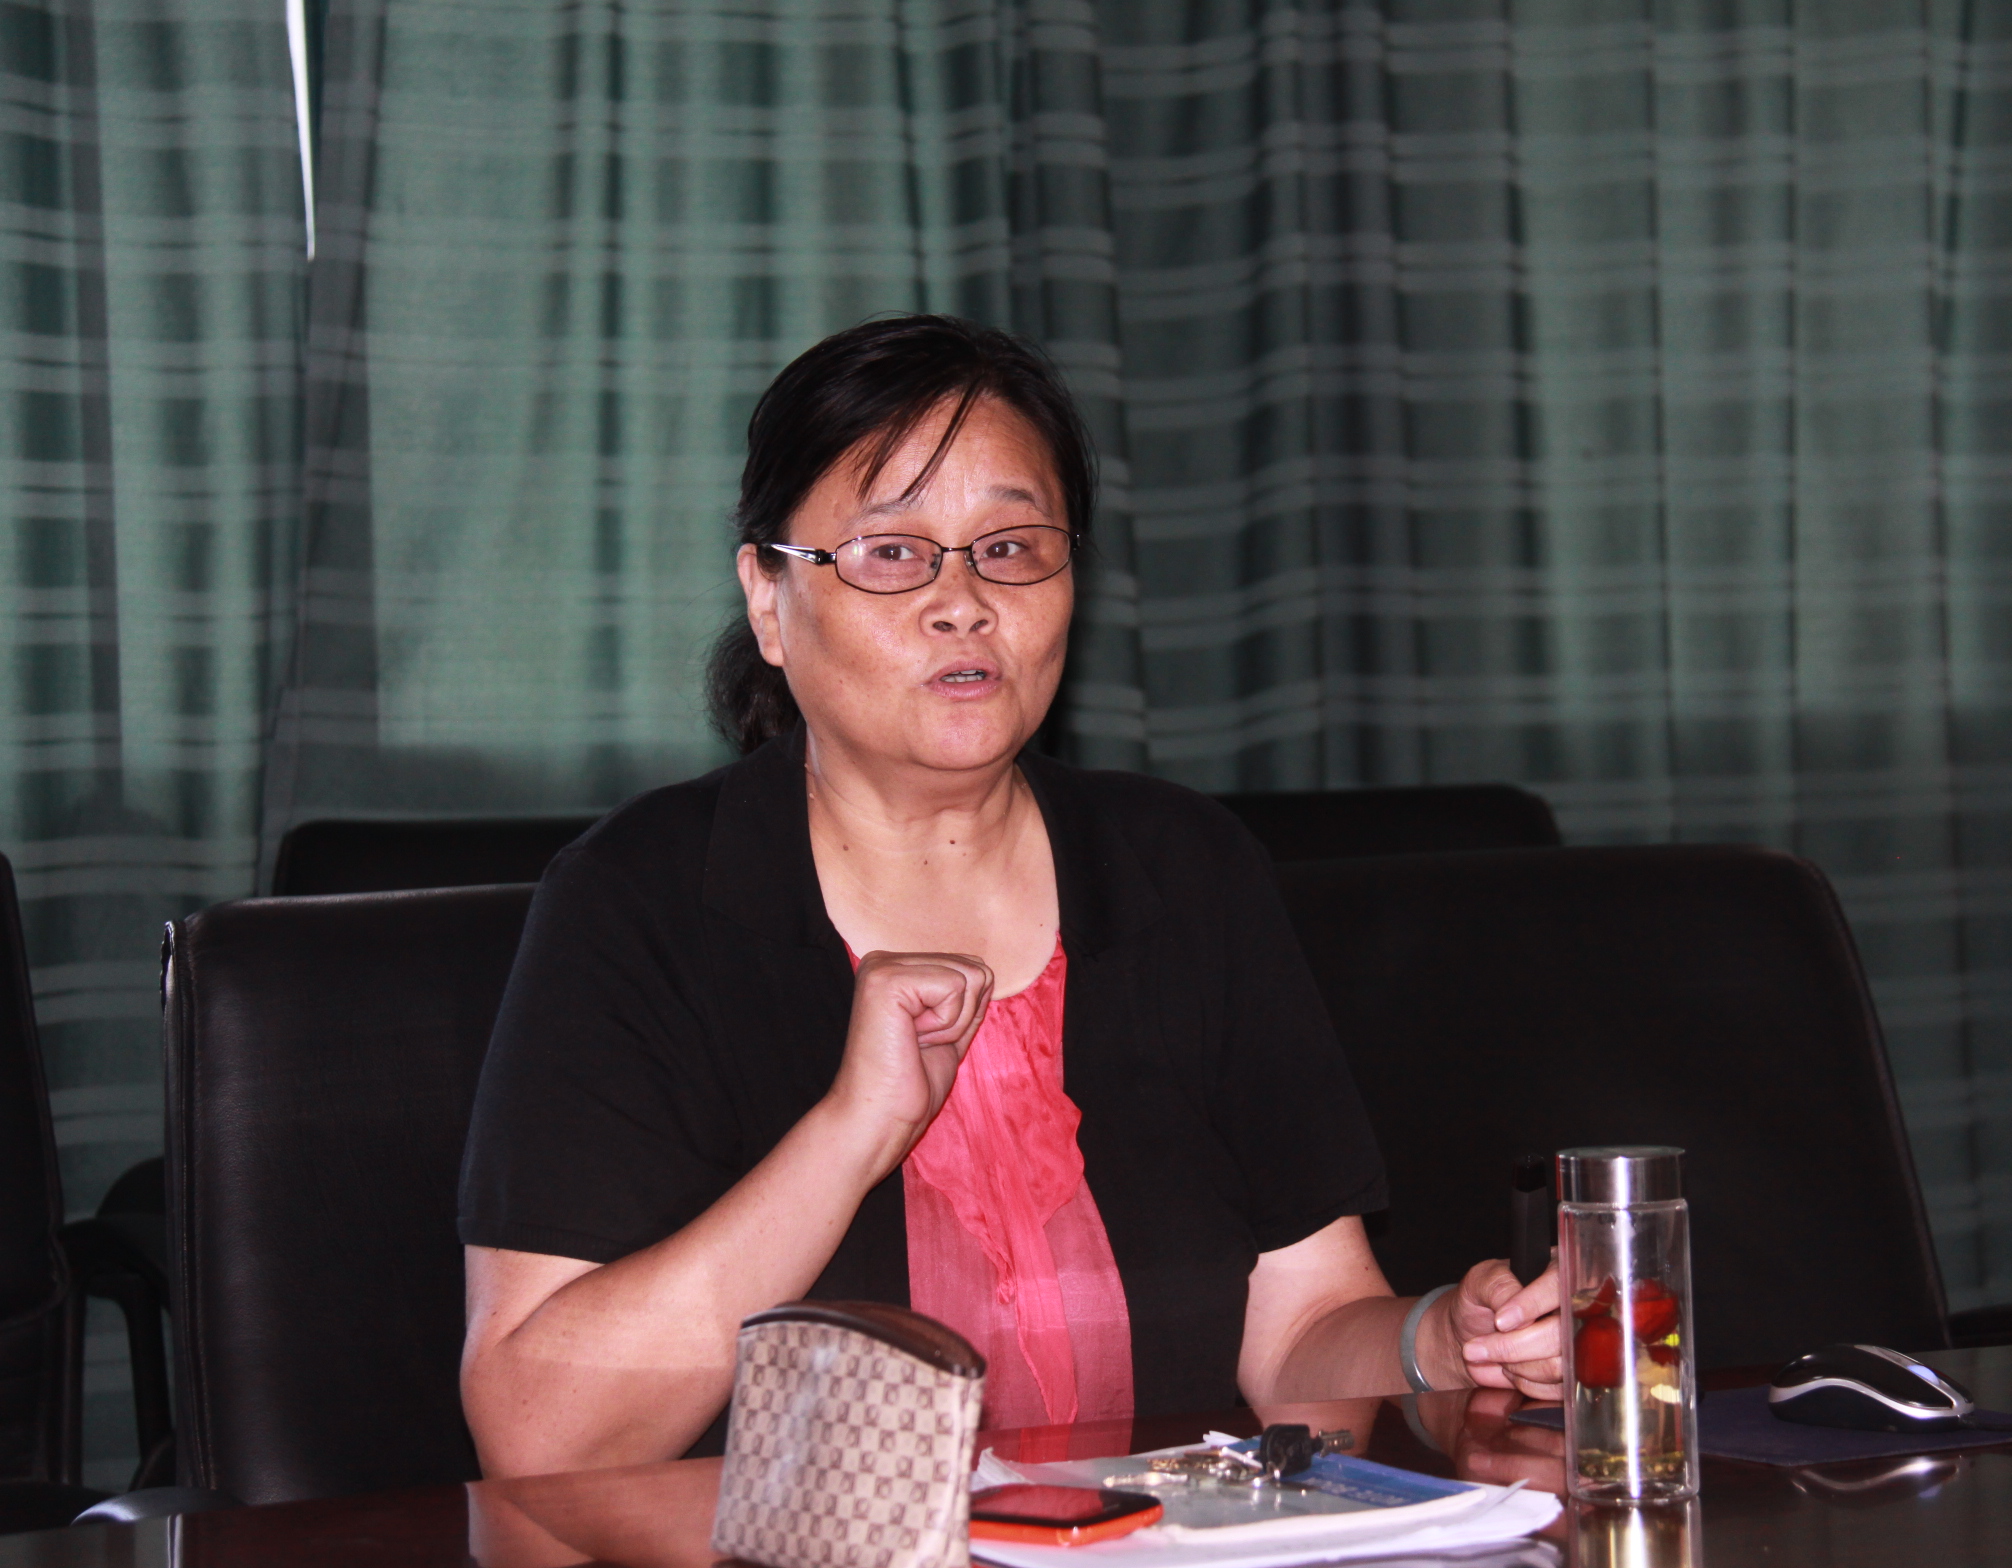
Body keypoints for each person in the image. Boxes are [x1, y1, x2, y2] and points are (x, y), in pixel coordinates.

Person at [456, 315, 1563, 1479]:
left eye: (1010, 547)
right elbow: (540, 1437)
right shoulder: (643, 903)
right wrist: (849, 1134)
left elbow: (1299, 1331)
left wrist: (1439, 1342)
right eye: (893, 551)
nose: (963, 601)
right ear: (769, 598)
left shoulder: (1182, 868)